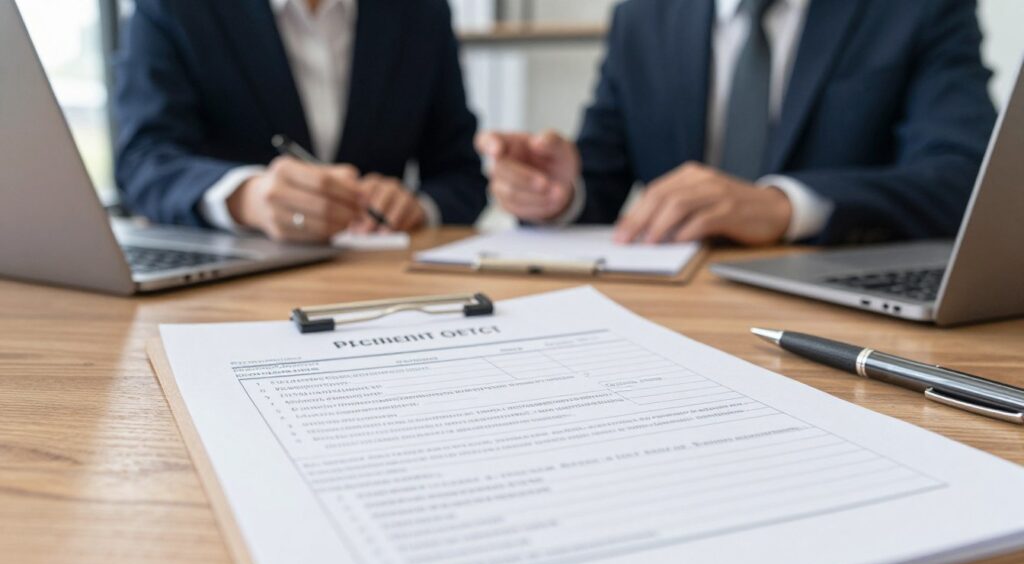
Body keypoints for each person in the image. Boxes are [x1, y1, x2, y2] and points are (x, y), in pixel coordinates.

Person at [478, 0, 996, 246]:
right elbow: (604, 177)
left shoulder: (918, 10)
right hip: (674, 319)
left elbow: (964, 180)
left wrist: (785, 205)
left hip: (841, 321)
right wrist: (560, 192)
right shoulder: (643, 17)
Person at [115, 0, 487, 243]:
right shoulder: (171, 9)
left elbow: (461, 174)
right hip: (232, 291)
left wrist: (417, 206)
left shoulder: (422, 13)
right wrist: (247, 198)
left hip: (379, 287)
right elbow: (143, 161)